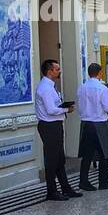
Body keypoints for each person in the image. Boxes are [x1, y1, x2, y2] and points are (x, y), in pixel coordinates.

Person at [35, 59, 81, 202]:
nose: (59, 71)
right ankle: (51, 191)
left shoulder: (51, 86)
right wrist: (67, 109)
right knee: (52, 160)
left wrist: (63, 107)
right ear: (50, 71)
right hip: (49, 126)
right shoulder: (45, 88)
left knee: (59, 159)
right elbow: (50, 110)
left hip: (54, 125)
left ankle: (65, 187)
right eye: (57, 69)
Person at [75, 62, 108, 192]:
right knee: (104, 153)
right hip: (99, 123)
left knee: (87, 154)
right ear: (99, 73)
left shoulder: (82, 87)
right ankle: (103, 181)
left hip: (86, 123)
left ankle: (83, 181)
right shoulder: (103, 88)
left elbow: (79, 108)